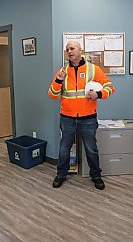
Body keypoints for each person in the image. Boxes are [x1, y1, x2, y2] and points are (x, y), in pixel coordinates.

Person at [48, 41, 115, 189]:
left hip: (88, 118)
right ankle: (61, 175)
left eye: (72, 48)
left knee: (91, 149)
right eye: (67, 49)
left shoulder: (93, 69)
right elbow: (52, 95)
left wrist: (98, 94)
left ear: (80, 50)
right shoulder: (63, 71)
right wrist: (59, 80)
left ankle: (96, 176)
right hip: (67, 118)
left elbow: (110, 87)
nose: (69, 51)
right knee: (64, 149)